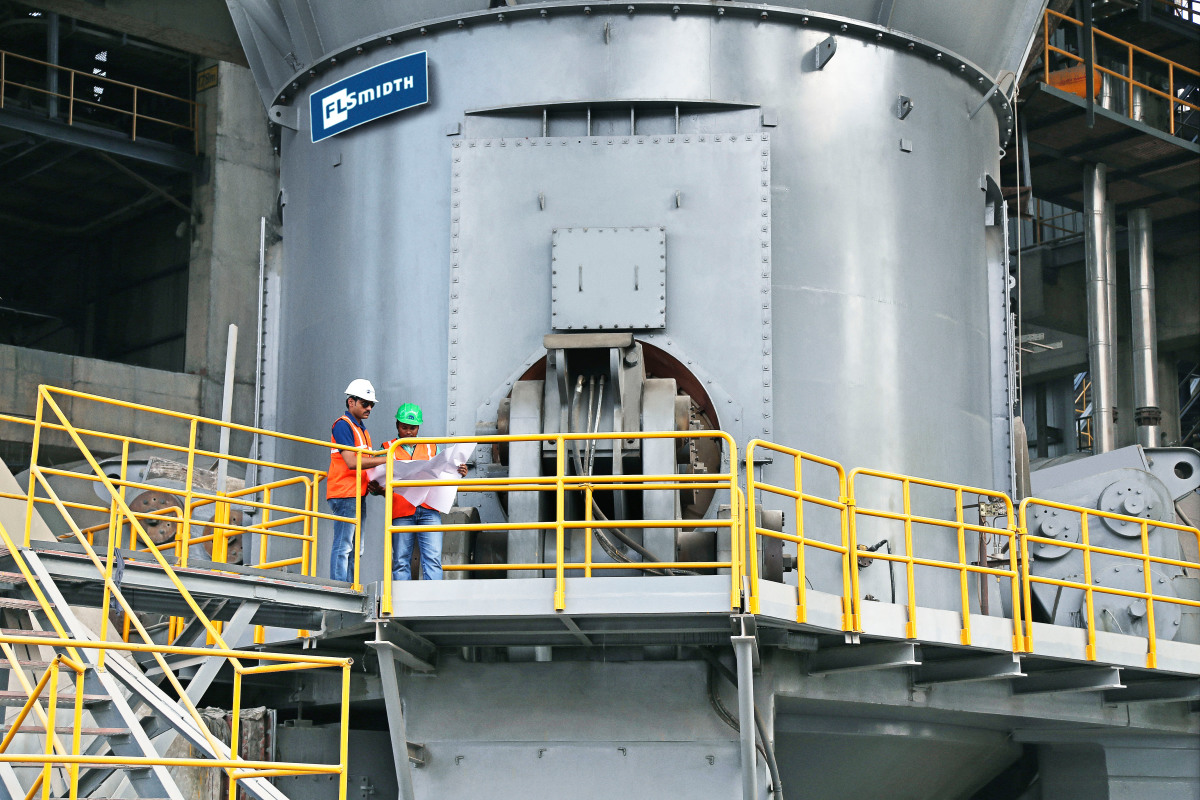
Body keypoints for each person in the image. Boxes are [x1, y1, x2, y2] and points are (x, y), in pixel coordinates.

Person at [380, 403, 468, 581]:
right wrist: (377, 489)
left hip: (429, 509)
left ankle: (432, 596)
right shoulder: (386, 448)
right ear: (397, 425)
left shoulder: (432, 447)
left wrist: (460, 471)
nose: (408, 432)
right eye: (404, 427)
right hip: (401, 511)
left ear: (418, 427)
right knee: (400, 560)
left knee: (433, 559)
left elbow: (446, 471)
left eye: (412, 428)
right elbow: (378, 481)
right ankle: (402, 597)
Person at [326, 379, 387, 583]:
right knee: (344, 545)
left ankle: (350, 586)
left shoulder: (361, 430)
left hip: (357, 493)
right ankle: (339, 587)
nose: (369, 408)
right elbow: (352, 462)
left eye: (372, 405)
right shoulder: (343, 425)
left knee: (355, 547)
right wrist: (386, 459)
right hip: (345, 493)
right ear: (351, 402)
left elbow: (365, 463)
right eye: (365, 403)